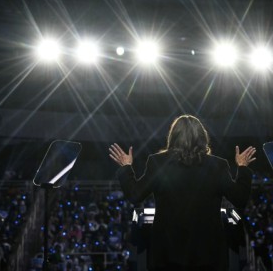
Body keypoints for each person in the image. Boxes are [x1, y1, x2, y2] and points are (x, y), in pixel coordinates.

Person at [109, 114, 256, 271]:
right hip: (208, 255)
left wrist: (126, 167)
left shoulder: (157, 162)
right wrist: (242, 167)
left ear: (173, 137)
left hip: (166, 255)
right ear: (202, 137)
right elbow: (240, 199)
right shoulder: (218, 165)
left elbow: (135, 195)